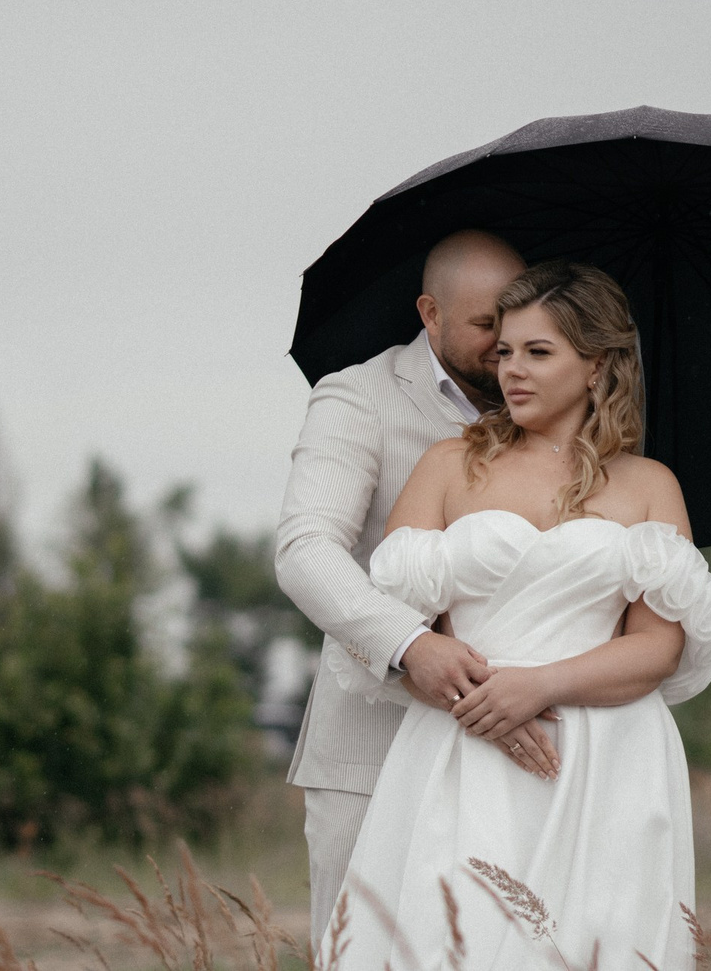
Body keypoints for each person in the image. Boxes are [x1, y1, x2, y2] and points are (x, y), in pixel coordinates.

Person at [320, 261, 711, 970]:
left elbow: (656, 649)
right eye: (506, 350)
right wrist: (487, 702)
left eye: (538, 352)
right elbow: (393, 627)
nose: (511, 369)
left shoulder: (648, 485)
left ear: (597, 365)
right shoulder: (449, 465)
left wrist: (539, 685)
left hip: (608, 757)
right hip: (466, 745)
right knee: (453, 939)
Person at [276, 229, 550, 942]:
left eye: (518, 320)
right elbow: (305, 550)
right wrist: (410, 646)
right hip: (373, 746)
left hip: (517, 746)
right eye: (486, 324)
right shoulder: (358, 397)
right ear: (430, 313)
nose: (507, 344)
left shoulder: (549, 407)